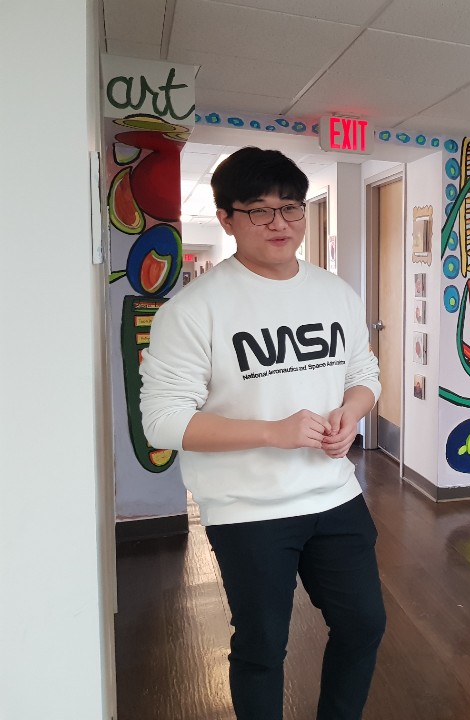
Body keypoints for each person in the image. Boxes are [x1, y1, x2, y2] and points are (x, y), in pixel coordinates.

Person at [139, 147, 385, 720]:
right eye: (258, 210)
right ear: (226, 219)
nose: (280, 223)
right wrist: (273, 432)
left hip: (335, 496)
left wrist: (353, 411)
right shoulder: (194, 309)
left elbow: (364, 372)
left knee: (363, 625)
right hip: (246, 509)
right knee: (262, 648)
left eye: (291, 207)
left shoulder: (335, 292)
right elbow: (164, 420)